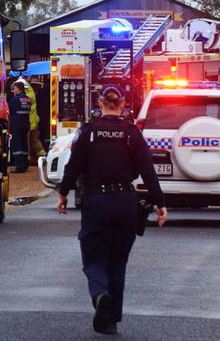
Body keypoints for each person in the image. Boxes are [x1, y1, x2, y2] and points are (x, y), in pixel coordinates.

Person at [57, 87, 168, 335]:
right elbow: (148, 171)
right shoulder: (132, 133)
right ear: (123, 104)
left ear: (100, 102)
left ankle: (100, 295)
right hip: (126, 203)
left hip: (97, 201)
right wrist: (160, 204)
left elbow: (73, 166)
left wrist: (63, 193)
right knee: (118, 262)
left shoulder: (89, 131)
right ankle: (111, 321)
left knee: (94, 259)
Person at [9, 79, 33, 172]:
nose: (13, 90)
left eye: (14, 88)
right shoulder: (28, 99)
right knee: (24, 145)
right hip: (26, 123)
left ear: (18, 89)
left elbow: (9, 110)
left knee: (17, 145)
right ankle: (25, 164)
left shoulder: (14, 100)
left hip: (17, 124)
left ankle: (19, 166)